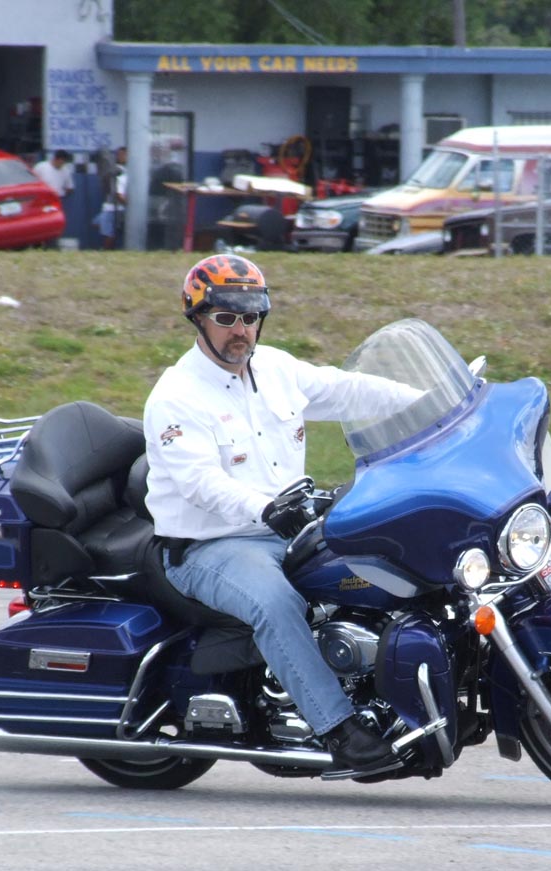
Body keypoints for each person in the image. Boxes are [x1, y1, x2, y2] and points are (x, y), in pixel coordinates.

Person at [143, 254, 420, 778]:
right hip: (211, 546)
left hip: (290, 528)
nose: (240, 330)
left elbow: (349, 390)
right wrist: (265, 508)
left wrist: (436, 403)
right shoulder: (176, 396)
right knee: (276, 602)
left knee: (391, 558)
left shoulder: (276, 369)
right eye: (226, 318)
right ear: (197, 318)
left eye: (249, 317)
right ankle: (339, 729)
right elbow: (200, 482)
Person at [95, 146, 127, 249]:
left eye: (123, 154)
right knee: (97, 223)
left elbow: (119, 193)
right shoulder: (114, 169)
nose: (120, 156)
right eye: (119, 154)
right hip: (109, 206)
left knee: (109, 233)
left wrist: (128, 204)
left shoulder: (123, 171)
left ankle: (107, 251)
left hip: (116, 207)